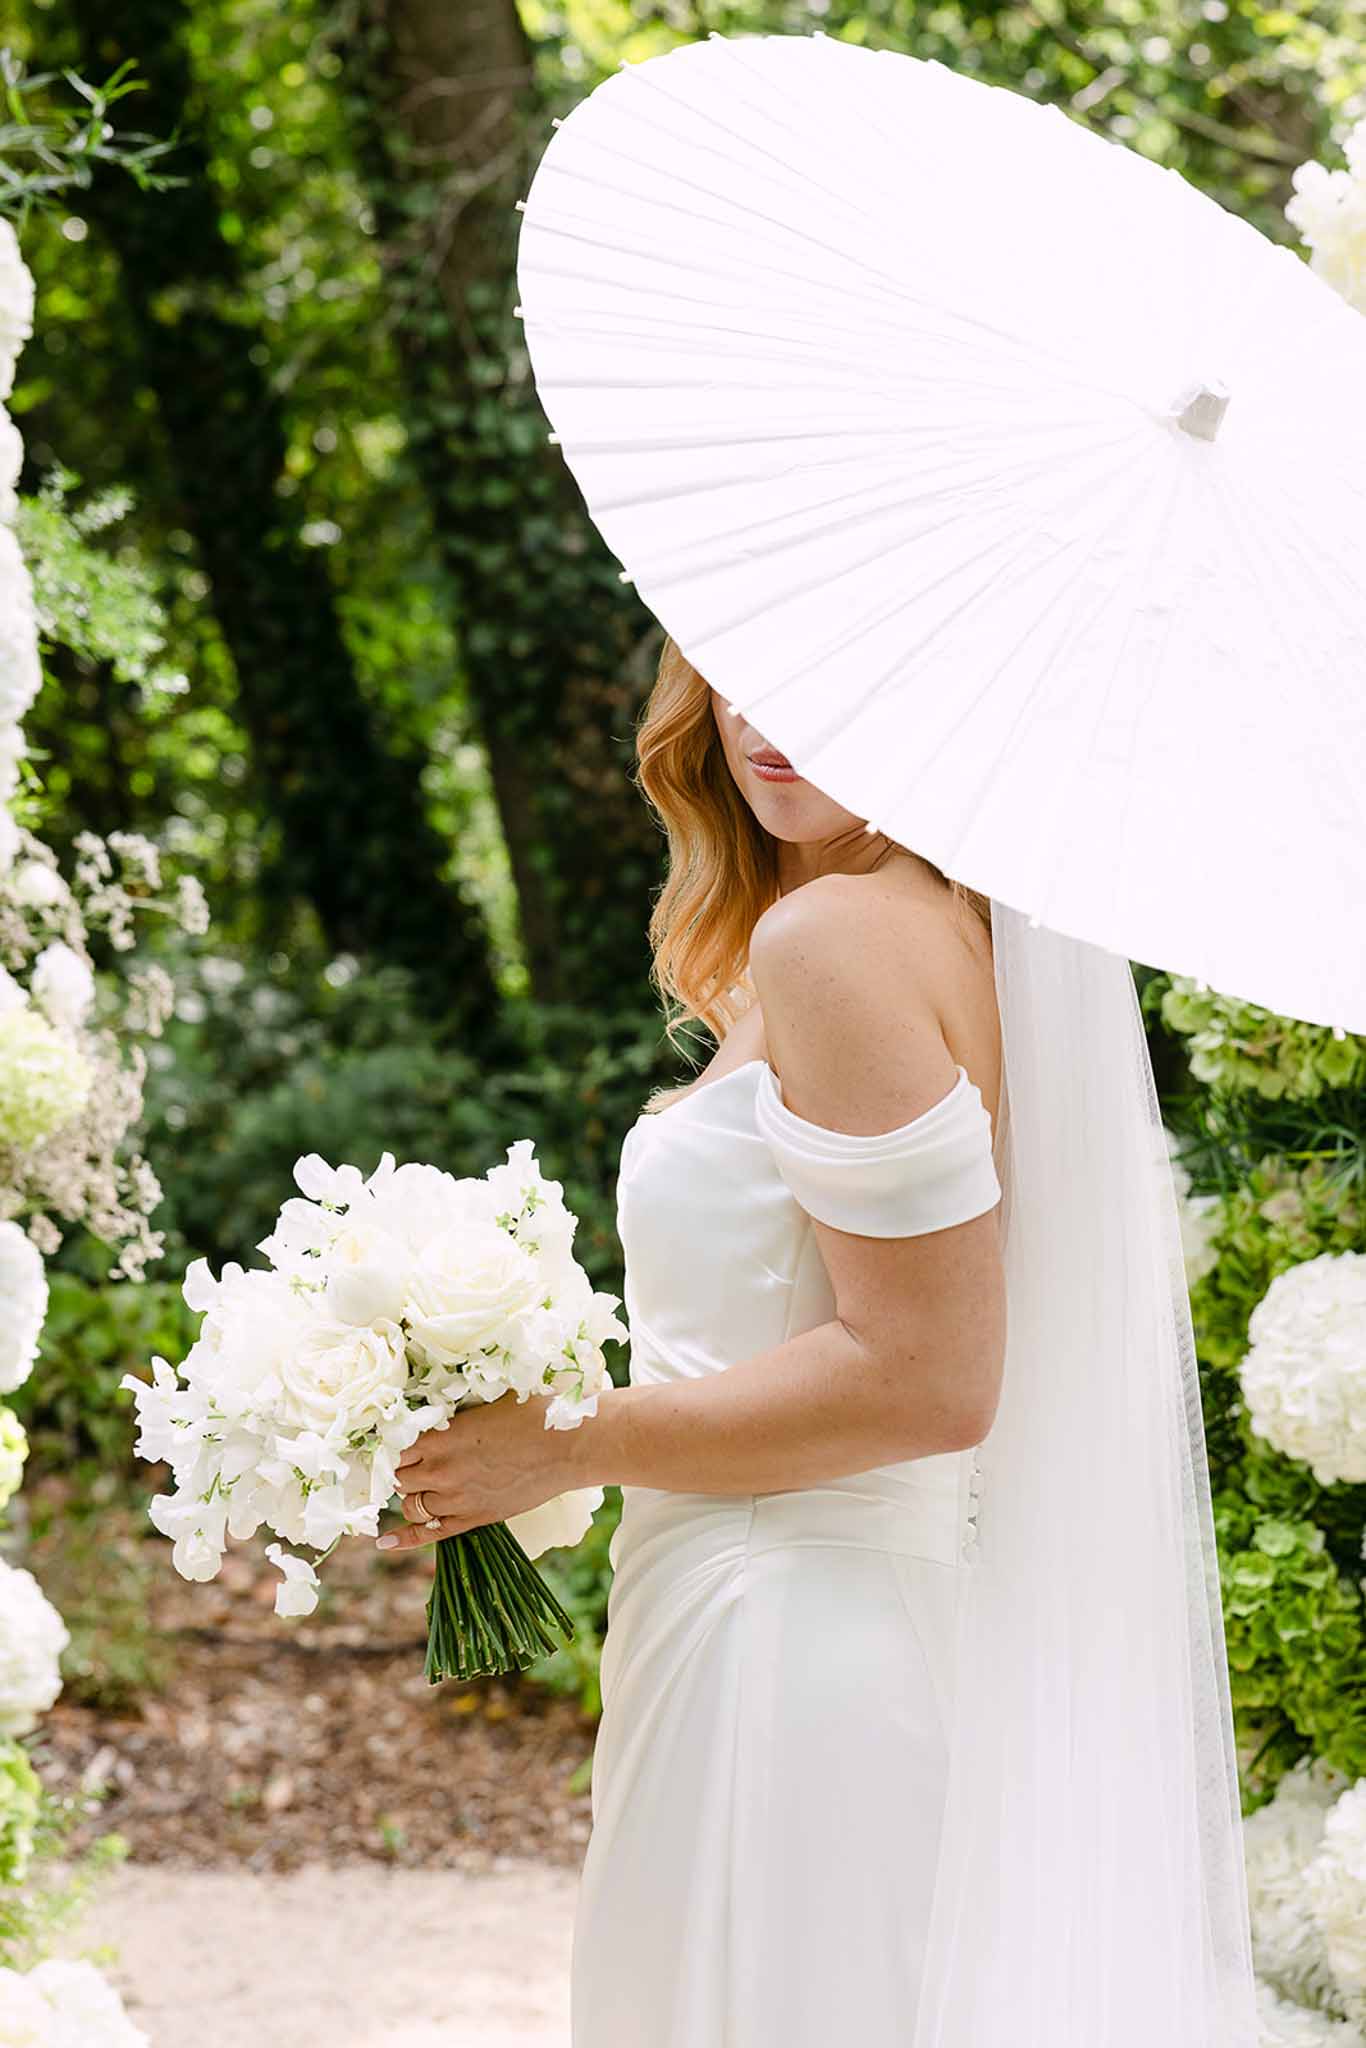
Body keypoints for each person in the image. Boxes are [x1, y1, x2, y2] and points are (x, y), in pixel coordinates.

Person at [382, 633, 1012, 2041]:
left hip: (791, 1627)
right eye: (742, 657)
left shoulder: (835, 939)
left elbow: (930, 1375)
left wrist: (561, 1445)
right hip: (769, 1606)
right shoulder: (920, 932)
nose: (770, 711)